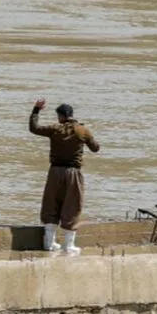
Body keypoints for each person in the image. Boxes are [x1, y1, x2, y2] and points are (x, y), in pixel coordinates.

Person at [29, 99, 100, 254]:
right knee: (72, 206)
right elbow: (96, 148)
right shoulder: (82, 130)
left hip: (55, 172)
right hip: (73, 172)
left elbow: (34, 128)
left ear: (60, 116)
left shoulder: (55, 129)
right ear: (71, 115)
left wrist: (36, 110)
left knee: (51, 203)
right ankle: (69, 245)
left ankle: (49, 243)